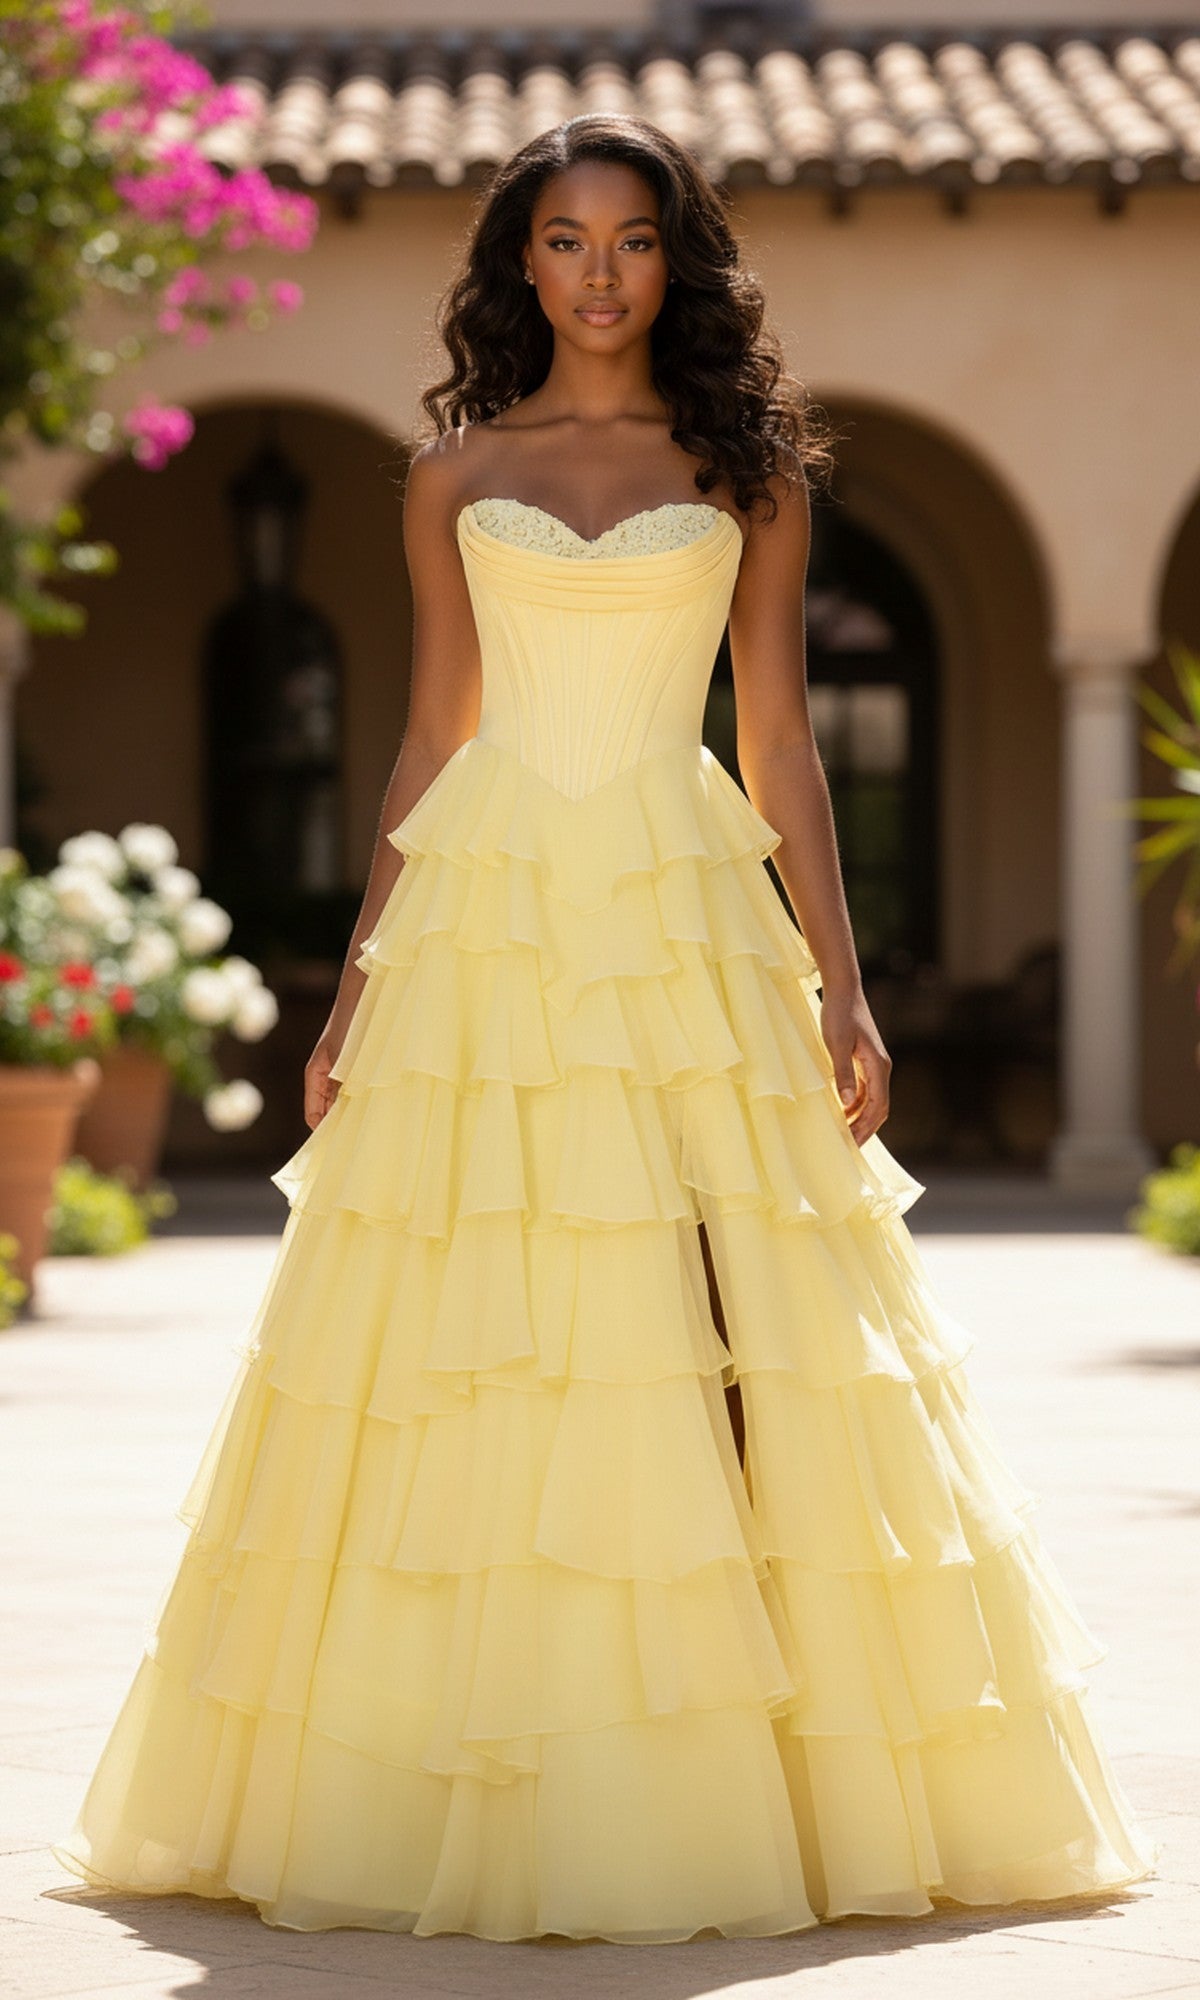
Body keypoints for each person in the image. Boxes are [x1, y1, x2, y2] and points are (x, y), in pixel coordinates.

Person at [49, 110, 1160, 1945]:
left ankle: (759, 1747)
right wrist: (360, 982)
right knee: (466, 1325)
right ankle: (456, 1743)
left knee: (741, 1323)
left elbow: (783, 737)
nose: (599, 273)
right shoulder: (449, 473)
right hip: (491, 910)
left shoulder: (750, 472)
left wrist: (846, 982)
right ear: (520, 266)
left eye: (633, 240)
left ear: (678, 261)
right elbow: (427, 736)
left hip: (681, 906)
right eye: (563, 241)